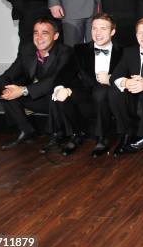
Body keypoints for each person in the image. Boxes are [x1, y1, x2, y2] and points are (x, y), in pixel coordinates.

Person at [48, 13, 122, 157]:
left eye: (103, 29)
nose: (98, 33)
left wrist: (111, 78)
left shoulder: (122, 51)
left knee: (101, 92)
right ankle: (77, 133)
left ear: (112, 32)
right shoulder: (79, 50)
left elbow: (127, 76)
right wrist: (60, 88)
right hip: (86, 96)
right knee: (63, 96)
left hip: (109, 98)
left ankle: (102, 137)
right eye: (94, 28)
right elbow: (65, 73)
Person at [0, 18, 73, 150]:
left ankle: (58, 134)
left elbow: (54, 80)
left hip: (61, 99)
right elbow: (7, 75)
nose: (39, 38)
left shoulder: (65, 52)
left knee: (55, 91)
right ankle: (26, 130)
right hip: (38, 96)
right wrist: (10, 90)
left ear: (55, 36)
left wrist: (23, 90)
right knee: (3, 83)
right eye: (35, 33)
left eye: (44, 33)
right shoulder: (27, 50)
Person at [109, 18, 143, 156]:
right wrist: (126, 82)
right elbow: (115, 76)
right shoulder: (129, 52)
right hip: (133, 96)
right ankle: (125, 133)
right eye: (140, 33)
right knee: (115, 91)